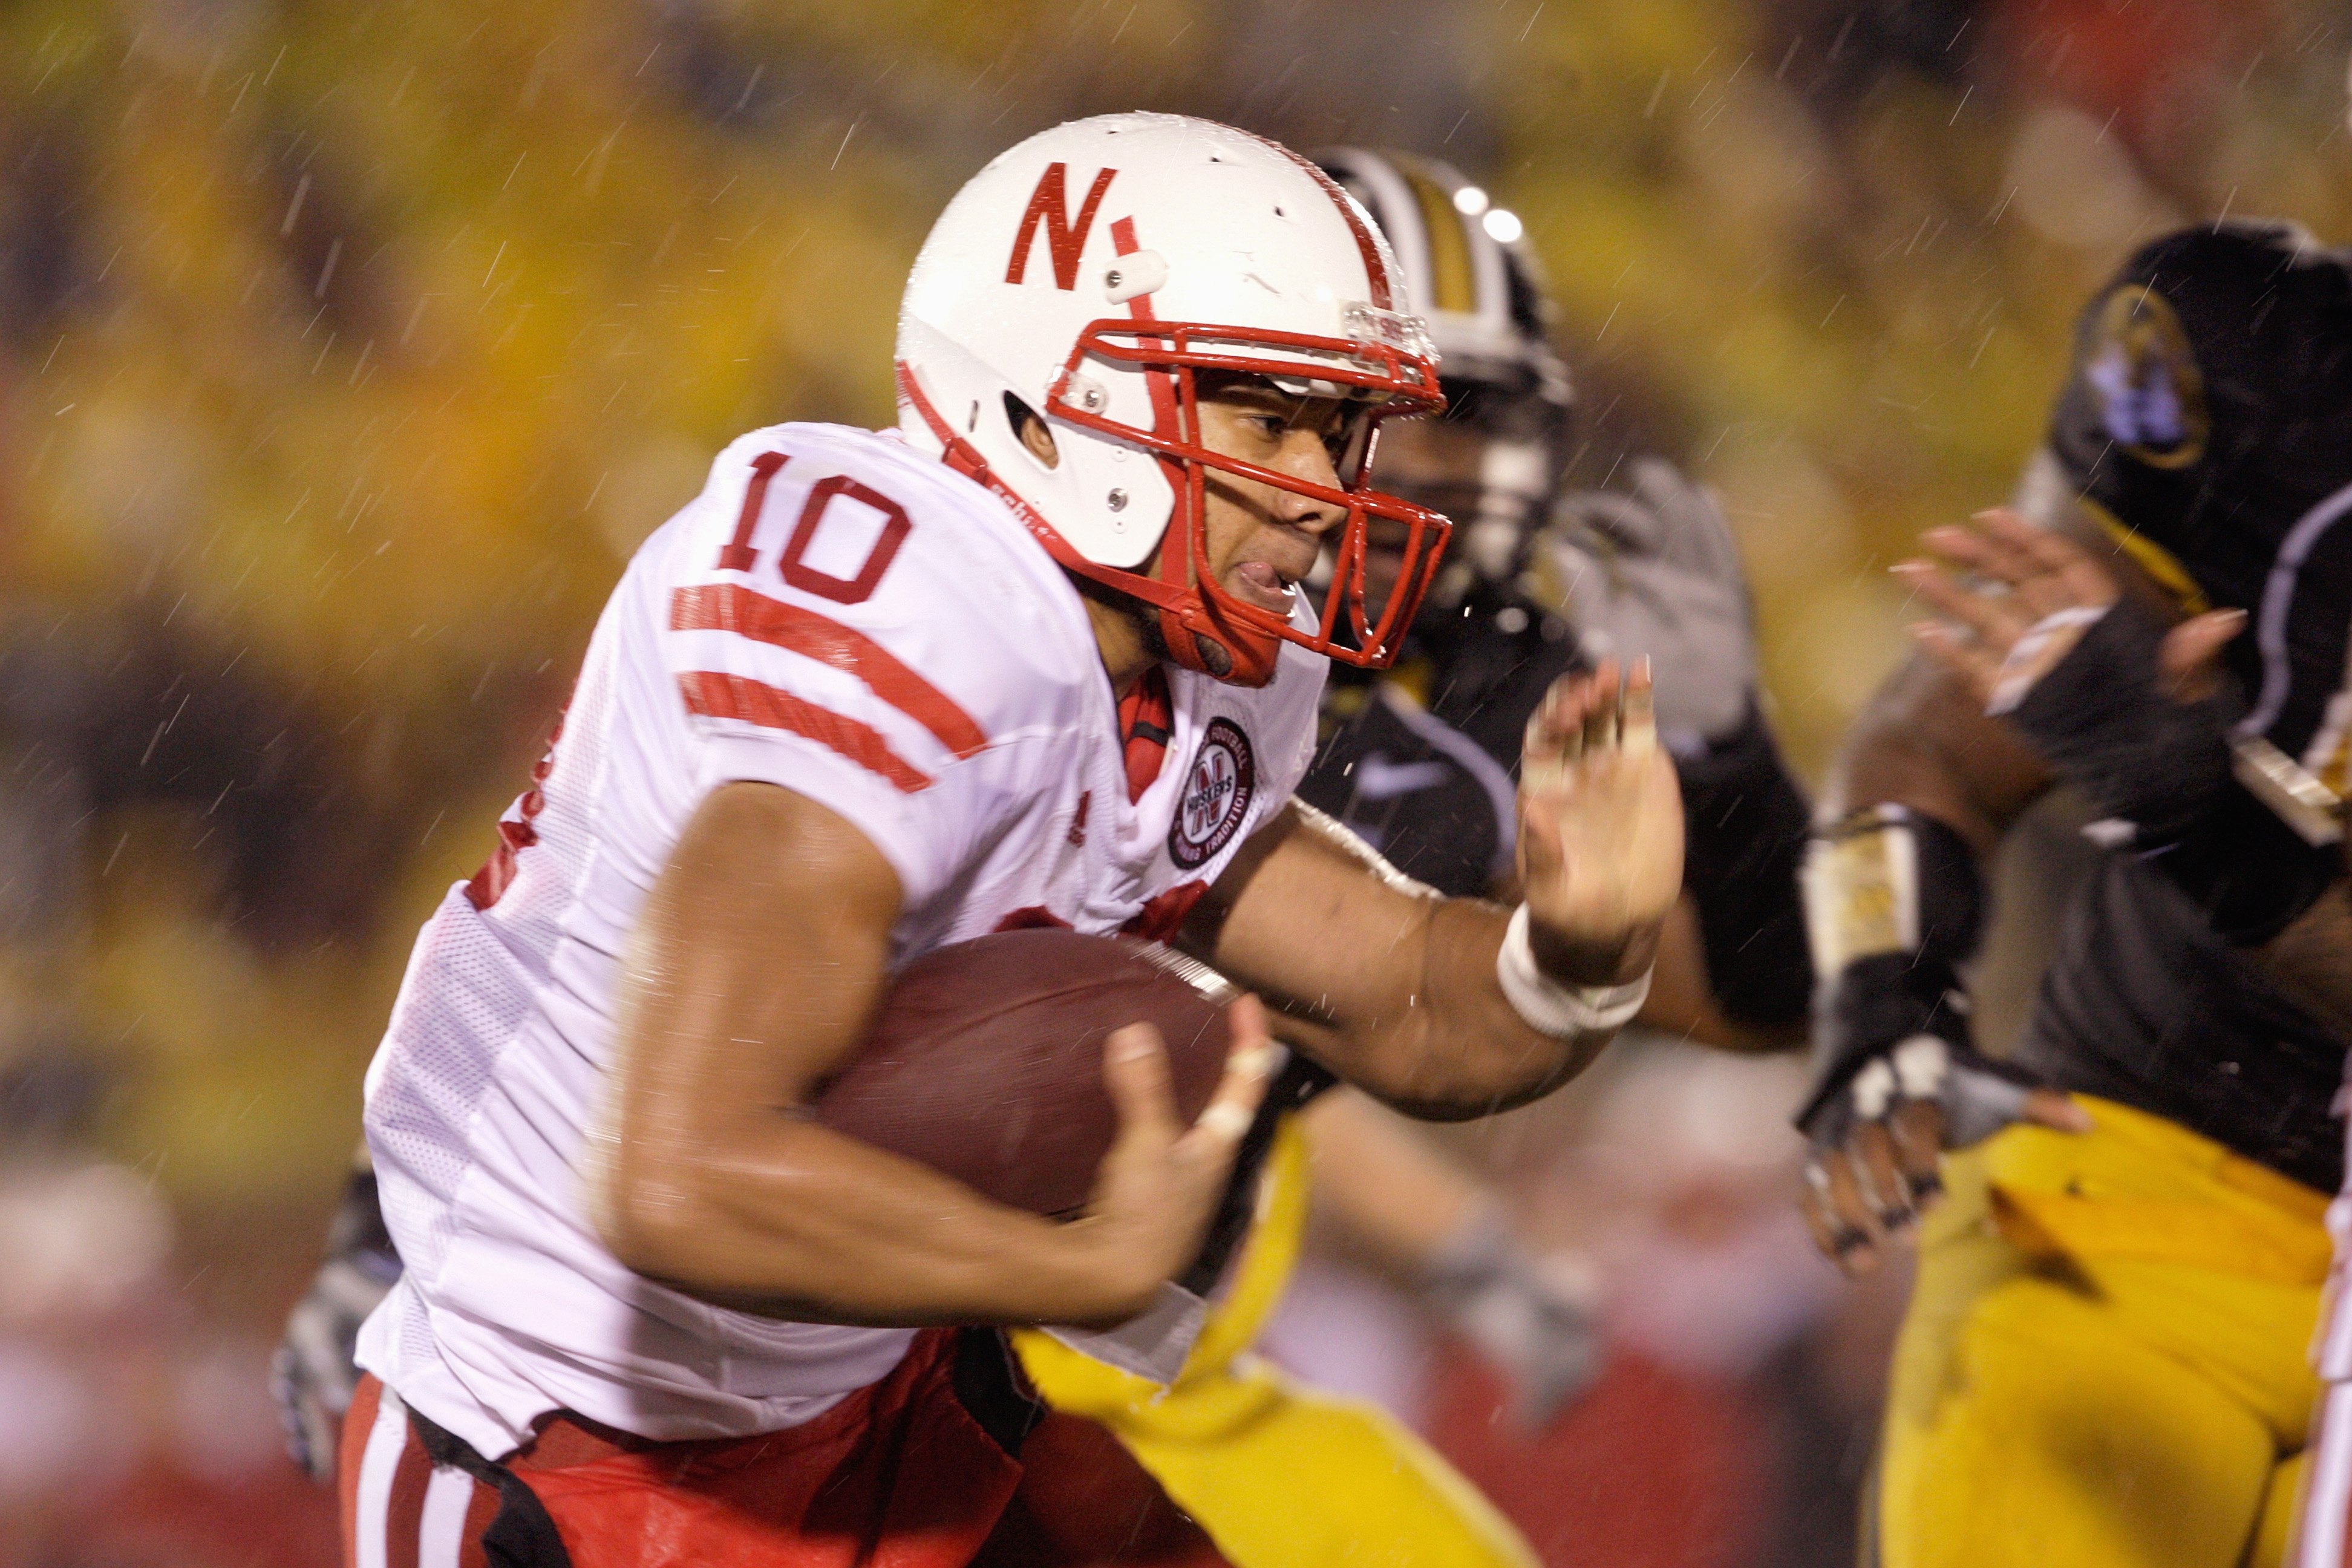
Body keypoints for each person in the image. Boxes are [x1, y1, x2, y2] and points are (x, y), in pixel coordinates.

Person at [323, 112, 1684, 1567]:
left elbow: (1414, 1004)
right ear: (1051, 399)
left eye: (1342, 432)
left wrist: (1581, 951)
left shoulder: (1200, 665)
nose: (1323, 490)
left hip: (881, 1388)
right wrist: (1075, 1265)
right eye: (1268, 421)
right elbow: (679, 1174)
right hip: (571, 1444)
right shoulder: (905, 623)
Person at [1797, 206, 2352, 1564]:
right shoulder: (2274, 378)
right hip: (2133, 1208)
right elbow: (1935, 738)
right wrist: (1884, 992)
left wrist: (2205, 820)